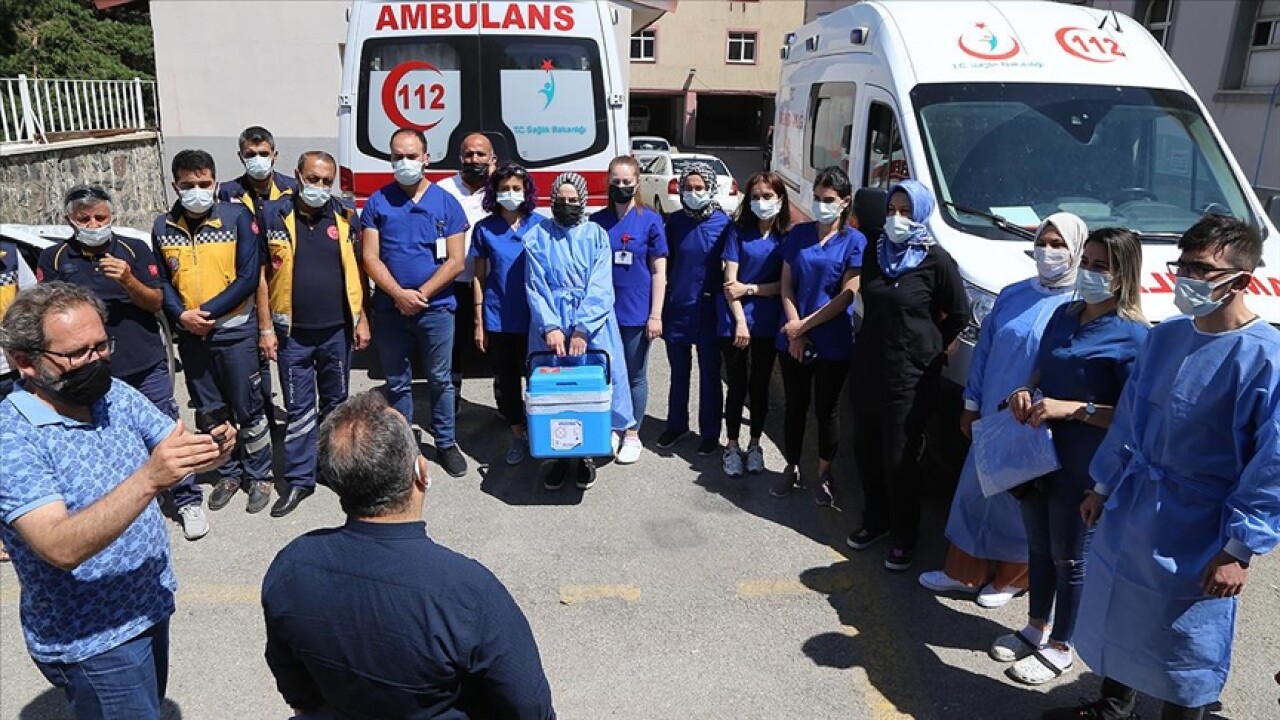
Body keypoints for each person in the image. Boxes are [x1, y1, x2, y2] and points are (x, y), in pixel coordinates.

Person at [1049, 216, 1280, 720]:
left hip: (1202, 525)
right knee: (1123, 610)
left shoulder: (1266, 358)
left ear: (1241, 280)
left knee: (1184, 642)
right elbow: (1132, 417)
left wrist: (1238, 549)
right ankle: (1113, 706)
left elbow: (1273, 467)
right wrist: (1104, 485)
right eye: (1184, 265)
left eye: (1203, 269)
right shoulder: (1168, 335)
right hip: (1137, 504)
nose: (1187, 279)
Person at [0, 282, 234, 720]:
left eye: (101, 345)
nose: (97, 360)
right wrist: (149, 478)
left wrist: (210, 449)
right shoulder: (12, 438)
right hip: (94, 640)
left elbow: (174, 444)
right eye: (78, 353)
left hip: (148, 603)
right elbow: (58, 546)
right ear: (25, 363)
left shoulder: (113, 395)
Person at [261, 391, 555, 719]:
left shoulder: (292, 566)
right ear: (421, 472)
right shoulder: (468, 591)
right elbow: (530, 707)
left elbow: (292, 678)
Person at [990, 228, 1149, 687]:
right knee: (1038, 545)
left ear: (1122, 276)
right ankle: (1036, 626)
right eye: (1089, 262)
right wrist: (1025, 390)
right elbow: (1043, 369)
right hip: (1038, 450)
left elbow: (1134, 417)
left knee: (1070, 555)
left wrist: (1075, 410)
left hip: (1086, 460)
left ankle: (1062, 644)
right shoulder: (1065, 314)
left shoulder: (1134, 336)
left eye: (1103, 267)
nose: (1091, 273)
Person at [919, 213, 1087, 608]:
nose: (1048, 252)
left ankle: (1013, 577)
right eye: (1043, 242)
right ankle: (964, 572)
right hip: (993, 412)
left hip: (1035, 422)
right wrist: (971, 403)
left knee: (1019, 501)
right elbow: (986, 353)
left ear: (1077, 250)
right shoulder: (1012, 294)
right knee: (975, 492)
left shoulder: (1079, 307)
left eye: (1058, 244)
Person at [37, 185, 210, 541]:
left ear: (111, 216)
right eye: (84, 218)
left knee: (166, 430)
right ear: (70, 220)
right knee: (102, 437)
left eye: (100, 217)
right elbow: (47, 313)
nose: (93, 223)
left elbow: (155, 302)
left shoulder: (134, 250)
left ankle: (187, 498)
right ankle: (125, 506)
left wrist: (129, 279)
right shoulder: (53, 259)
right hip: (90, 370)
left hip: (143, 362)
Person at [848, 179, 970, 572]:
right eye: (891, 210)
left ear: (919, 213)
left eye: (904, 211)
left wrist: (936, 349)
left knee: (898, 459)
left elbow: (959, 314)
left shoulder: (936, 260)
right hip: (869, 367)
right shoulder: (876, 251)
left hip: (911, 376)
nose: (896, 218)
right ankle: (875, 521)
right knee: (865, 450)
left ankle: (905, 536)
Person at [153, 149, 275, 513]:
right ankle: (229, 471)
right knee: (211, 412)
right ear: (175, 186)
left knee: (248, 408)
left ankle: (260, 474)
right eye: (188, 185)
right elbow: (161, 280)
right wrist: (180, 316)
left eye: (204, 184)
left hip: (234, 332)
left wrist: (204, 312)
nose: (196, 191)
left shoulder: (238, 217)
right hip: (191, 337)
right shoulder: (163, 226)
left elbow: (249, 276)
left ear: (215, 183)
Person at [260, 151, 371, 518]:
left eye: (326, 181)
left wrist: (362, 320)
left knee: (336, 404)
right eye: (313, 179)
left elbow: (358, 271)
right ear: (297, 176)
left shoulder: (344, 216)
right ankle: (299, 479)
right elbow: (262, 276)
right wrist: (265, 328)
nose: (319, 187)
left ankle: (333, 467)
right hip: (292, 334)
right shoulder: (274, 215)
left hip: (336, 331)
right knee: (298, 409)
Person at [361, 127, 470, 478]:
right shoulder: (378, 202)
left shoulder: (446, 203)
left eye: (411, 156)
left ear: (426, 157)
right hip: (391, 310)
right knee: (397, 380)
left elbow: (456, 260)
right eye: (397, 156)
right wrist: (399, 295)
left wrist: (420, 295)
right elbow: (370, 258)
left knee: (440, 379)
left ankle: (446, 442)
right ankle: (404, 444)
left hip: (436, 310)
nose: (404, 162)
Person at [524, 172, 635, 491]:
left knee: (591, 389)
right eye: (562, 199)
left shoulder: (597, 235)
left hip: (593, 325)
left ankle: (586, 454)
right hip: (552, 325)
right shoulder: (537, 235)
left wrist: (583, 329)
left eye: (574, 200)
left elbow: (601, 286)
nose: (567, 205)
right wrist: (551, 326)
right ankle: (558, 455)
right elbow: (535, 285)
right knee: (555, 389)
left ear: (584, 201)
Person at [772, 167, 864, 505]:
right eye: (817, 199)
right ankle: (791, 465)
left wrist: (803, 327)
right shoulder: (798, 234)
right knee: (794, 406)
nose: (821, 206)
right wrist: (794, 329)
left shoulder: (855, 242)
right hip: (794, 338)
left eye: (829, 200)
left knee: (827, 410)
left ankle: (825, 472)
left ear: (844, 203)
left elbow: (848, 295)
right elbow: (786, 284)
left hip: (832, 341)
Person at [590, 155, 667, 465]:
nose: (621, 186)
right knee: (606, 372)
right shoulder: (597, 221)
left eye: (627, 181)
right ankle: (612, 425)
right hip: (603, 311)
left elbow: (659, 270)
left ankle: (633, 432)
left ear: (637, 183)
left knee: (635, 374)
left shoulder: (650, 220)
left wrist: (656, 314)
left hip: (637, 309)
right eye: (616, 181)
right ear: (608, 182)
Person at [220, 126, 298, 433]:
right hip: (245, 286)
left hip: (280, 285)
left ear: (275, 155)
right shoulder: (228, 192)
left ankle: (296, 418)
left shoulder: (293, 189)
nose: (258, 160)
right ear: (240, 156)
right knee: (257, 361)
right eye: (251, 155)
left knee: (287, 355)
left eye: (263, 154)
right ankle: (264, 417)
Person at [658, 162, 730, 456]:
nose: (693, 193)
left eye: (699, 188)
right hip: (677, 306)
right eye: (688, 187)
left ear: (711, 189)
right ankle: (677, 425)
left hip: (710, 308)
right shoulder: (674, 222)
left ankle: (710, 432)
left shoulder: (723, 224)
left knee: (710, 372)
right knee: (679, 370)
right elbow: (665, 263)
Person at [720, 172, 789, 478]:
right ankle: (732, 445)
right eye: (756, 196)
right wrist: (739, 322)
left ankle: (755, 444)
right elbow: (729, 284)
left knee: (760, 386)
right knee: (736, 385)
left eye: (767, 196)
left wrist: (751, 290)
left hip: (767, 321)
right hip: (736, 323)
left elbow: (784, 285)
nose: (761, 202)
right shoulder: (738, 232)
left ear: (780, 199)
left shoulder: (786, 237)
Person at [471, 164, 538, 465]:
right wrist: (478, 320)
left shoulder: (540, 226)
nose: (510, 194)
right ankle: (517, 434)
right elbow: (479, 278)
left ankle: (541, 432)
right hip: (499, 318)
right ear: (494, 192)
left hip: (536, 320)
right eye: (504, 188)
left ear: (526, 192)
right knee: (508, 381)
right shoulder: (485, 229)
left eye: (516, 188)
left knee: (537, 379)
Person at [440, 133, 498, 407]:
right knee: (453, 343)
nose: (474, 160)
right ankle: (452, 397)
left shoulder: (504, 191)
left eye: (481, 155)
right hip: (452, 282)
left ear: (492, 160)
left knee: (499, 342)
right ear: (460, 158)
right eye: (469, 155)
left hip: (493, 283)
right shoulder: (441, 191)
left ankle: (504, 398)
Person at [0, 238, 38, 563]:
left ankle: (26, 526)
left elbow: (32, 303)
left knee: (20, 454)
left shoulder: (9, 255)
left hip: (12, 372)